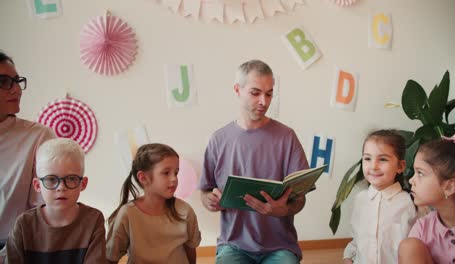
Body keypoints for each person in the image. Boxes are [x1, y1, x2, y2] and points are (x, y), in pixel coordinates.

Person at [199, 59, 310, 263]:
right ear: (237, 90)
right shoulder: (218, 139)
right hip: (233, 245)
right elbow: (205, 191)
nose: (264, 102)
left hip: (280, 247)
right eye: (255, 92)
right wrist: (210, 200)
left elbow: (300, 198)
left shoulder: (287, 137)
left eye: (269, 94)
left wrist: (283, 210)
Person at [3, 138, 106, 263]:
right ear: (37, 185)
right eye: (51, 179)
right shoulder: (24, 224)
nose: (61, 187)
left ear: (83, 184)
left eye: (71, 179)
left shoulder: (93, 220)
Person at [106, 143, 201, 264]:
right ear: (143, 178)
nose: (174, 179)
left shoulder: (185, 211)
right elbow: (111, 258)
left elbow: (190, 250)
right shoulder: (127, 213)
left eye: (176, 172)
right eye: (166, 173)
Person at [0, 51, 56, 249]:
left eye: (17, 81)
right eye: (4, 82)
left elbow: (45, 207)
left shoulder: (39, 137)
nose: (16, 90)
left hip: (17, 246)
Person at [343, 129, 417, 264]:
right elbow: (356, 238)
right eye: (367, 158)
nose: (373, 166)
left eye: (382, 159)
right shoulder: (360, 200)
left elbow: (421, 245)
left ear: (400, 166)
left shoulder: (410, 202)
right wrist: (349, 257)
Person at [398, 129, 455, 264]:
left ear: (449, 187)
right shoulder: (422, 228)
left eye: (420, 173)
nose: (411, 181)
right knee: (408, 247)